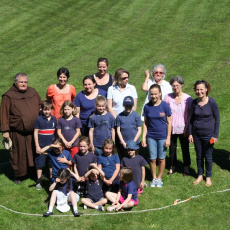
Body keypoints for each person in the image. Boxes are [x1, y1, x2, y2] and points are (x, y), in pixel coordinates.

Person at [0, 73, 41, 184]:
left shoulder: (32, 92)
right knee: (18, 154)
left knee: (32, 152)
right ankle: (18, 175)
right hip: (17, 132)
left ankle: (33, 171)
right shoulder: (8, 96)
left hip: (33, 131)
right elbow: (3, 114)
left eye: (25, 82)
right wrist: (5, 131)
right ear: (15, 82)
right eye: (21, 82)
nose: (24, 84)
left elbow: (40, 105)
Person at [188, 80, 220, 187]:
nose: (199, 91)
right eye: (197, 89)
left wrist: (215, 135)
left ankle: (208, 177)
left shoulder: (212, 102)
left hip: (209, 134)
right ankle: (200, 175)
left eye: (201, 89)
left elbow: (218, 119)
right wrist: (190, 133)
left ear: (206, 89)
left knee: (208, 156)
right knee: (199, 156)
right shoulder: (194, 103)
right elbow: (191, 119)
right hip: (196, 134)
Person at [142, 84, 172, 188]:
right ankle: (154, 178)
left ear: (160, 94)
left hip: (162, 136)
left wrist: (168, 137)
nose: (153, 96)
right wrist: (143, 137)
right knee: (152, 159)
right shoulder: (147, 106)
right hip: (151, 136)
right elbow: (145, 123)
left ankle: (159, 178)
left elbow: (169, 122)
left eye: (155, 94)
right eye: (151, 94)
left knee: (162, 159)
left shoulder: (165, 106)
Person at [164, 76, 193, 177]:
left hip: (183, 128)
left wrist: (188, 129)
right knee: (172, 149)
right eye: (173, 86)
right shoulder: (167, 98)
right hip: (171, 128)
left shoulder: (188, 99)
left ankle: (186, 167)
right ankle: (172, 166)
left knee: (185, 149)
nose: (175, 87)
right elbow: (164, 113)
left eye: (177, 85)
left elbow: (190, 115)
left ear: (181, 85)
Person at [34, 100, 57, 190]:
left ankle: (52, 180)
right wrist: (37, 146)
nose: (46, 112)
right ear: (42, 110)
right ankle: (39, 180)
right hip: (41, 146)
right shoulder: (39, 119)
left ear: (51, 110)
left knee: (51, 163)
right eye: (44, 110)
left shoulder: (54, 119)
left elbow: (55, 133)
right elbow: (35, 133)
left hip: (51, 146)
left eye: (48, 110)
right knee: (40, 164)